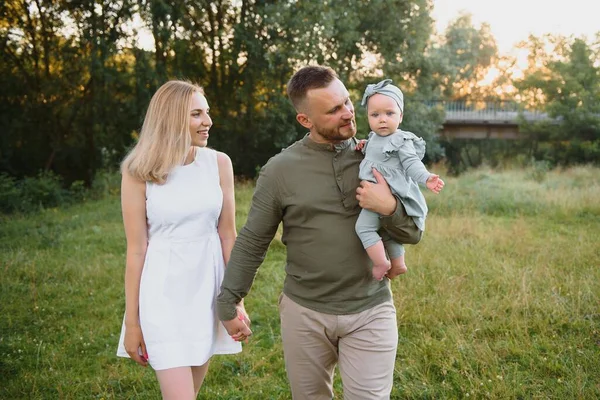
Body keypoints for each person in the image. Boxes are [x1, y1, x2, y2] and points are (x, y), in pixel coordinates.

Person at [216, 66, 423, 400]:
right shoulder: (280, 170)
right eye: (333, 110)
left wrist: (389, 208)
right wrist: (228, 301)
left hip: (371, 309)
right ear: (305, 120)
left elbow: (413, 233)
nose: (347, 114)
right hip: (305, 313)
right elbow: (254, 240)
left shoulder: (381, 157)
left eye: (347, 103)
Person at [115, 80, 247, 400]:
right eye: (197, 114)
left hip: (207, 294)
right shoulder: (137, 172)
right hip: (162, 298)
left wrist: (234, 302)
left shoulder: (219, 163)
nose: (208, 121)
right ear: (172, 118)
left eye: (208, 112)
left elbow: (227, 234)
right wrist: (133, 324)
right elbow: (136, 250)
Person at [356, 79, 445, 280]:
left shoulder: (401, 140)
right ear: (368, 117)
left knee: (364, 227)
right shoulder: (372, 139)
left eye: (389, 113)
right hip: (377, 193)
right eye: (375, 114)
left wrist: (426, 178)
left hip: (387, 194)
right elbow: (374, 154)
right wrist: (364, 145)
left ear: (401, 116)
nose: (382, 119)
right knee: (386, 232)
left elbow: (412, 163)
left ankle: (381, 263)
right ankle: (398, 263)